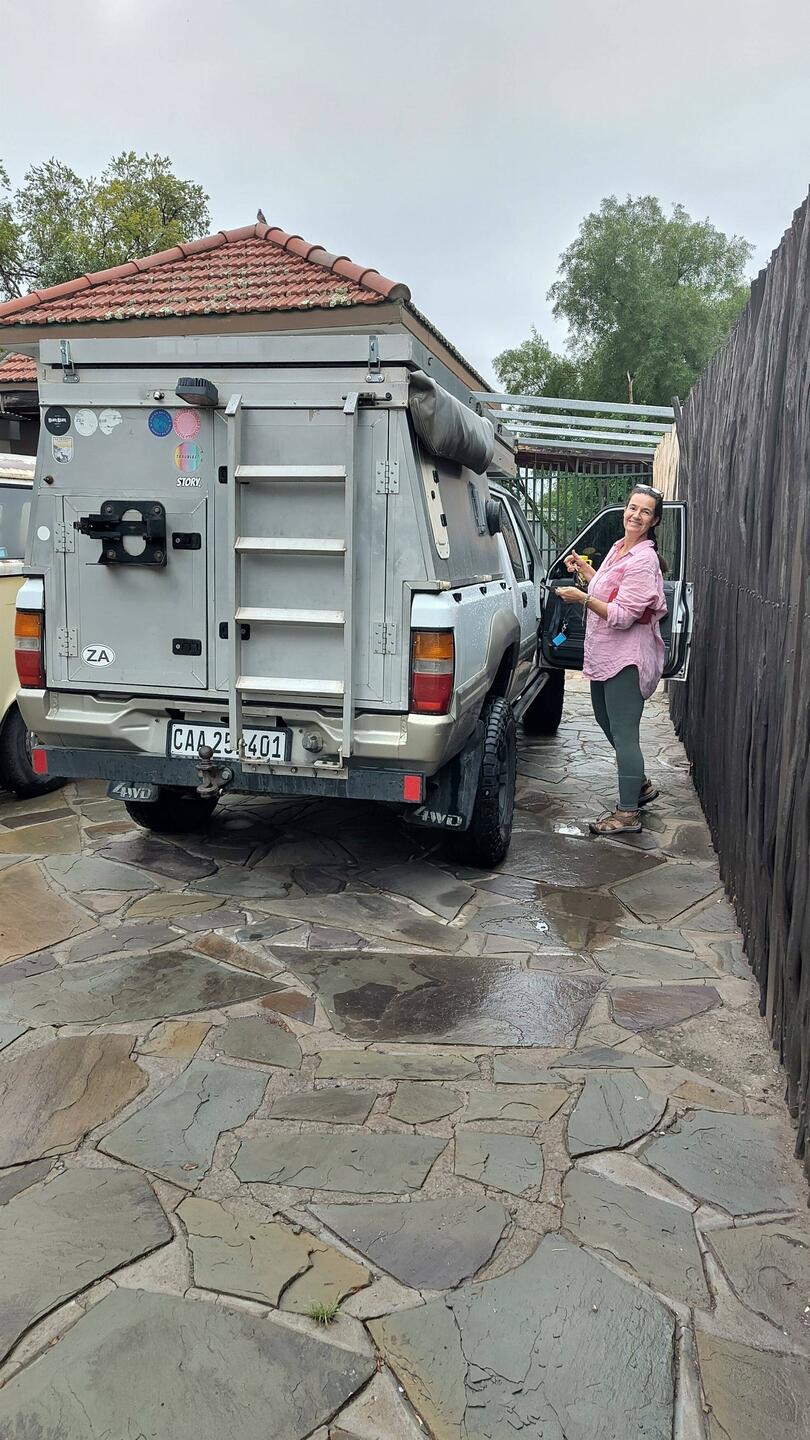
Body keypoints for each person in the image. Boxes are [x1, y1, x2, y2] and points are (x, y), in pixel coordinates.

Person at [554, 483, 668, 836]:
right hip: (606, 655)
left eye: (645, 511)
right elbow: (608, 588)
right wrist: (585, 572)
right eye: (633, 508)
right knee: (606, 722)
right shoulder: (620, 548)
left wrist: (581, 598)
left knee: (624, 733)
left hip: (626, 660)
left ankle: (627, 813)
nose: (636, 515)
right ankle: (640, 785)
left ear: (654, 521)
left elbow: (622, 615)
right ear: (625, 510)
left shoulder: (644, 560)